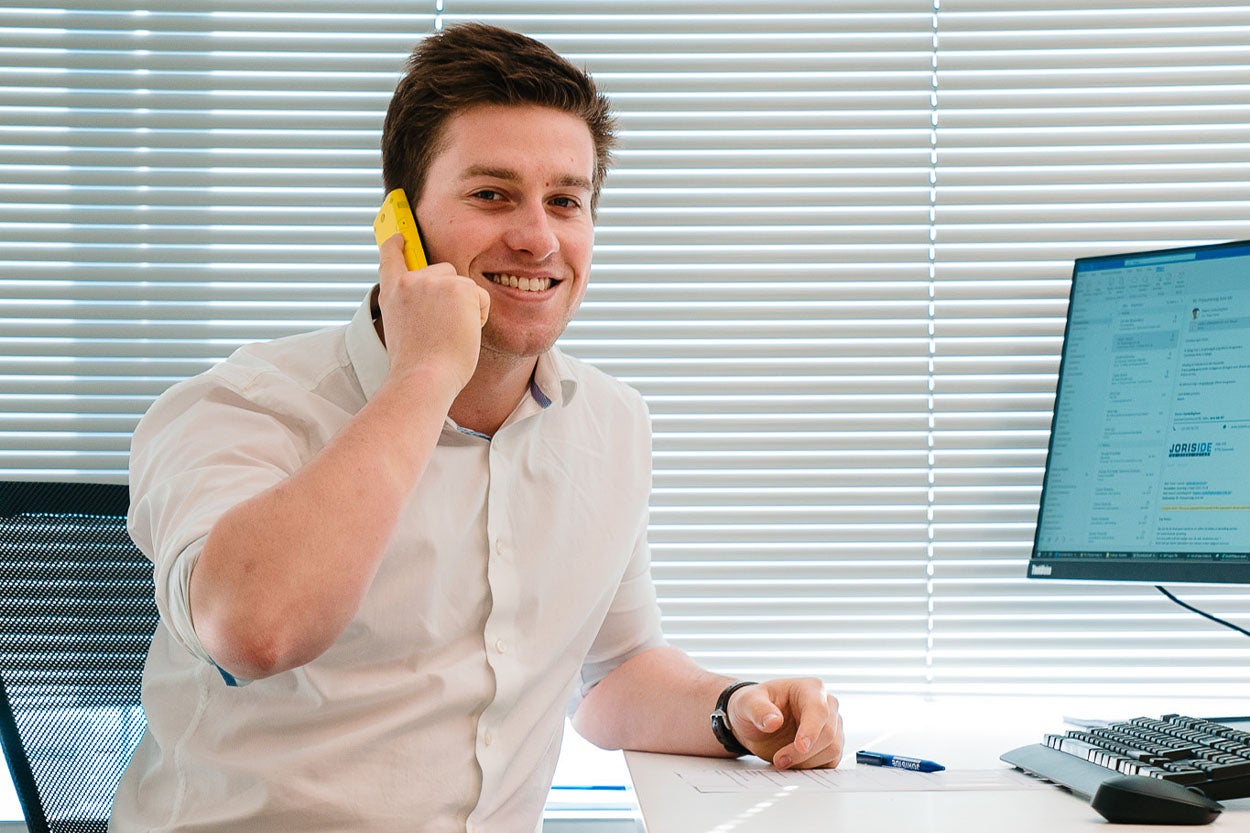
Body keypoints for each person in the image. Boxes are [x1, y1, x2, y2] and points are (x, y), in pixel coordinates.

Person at [111, 22, 843, 833]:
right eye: (492, 194)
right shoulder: (239, 408)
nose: (537, 236)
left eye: (566, 200)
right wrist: (426, 374)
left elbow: (611, 673)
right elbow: (256, 630)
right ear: (402, 226)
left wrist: (736, 709)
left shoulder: (610, 422)